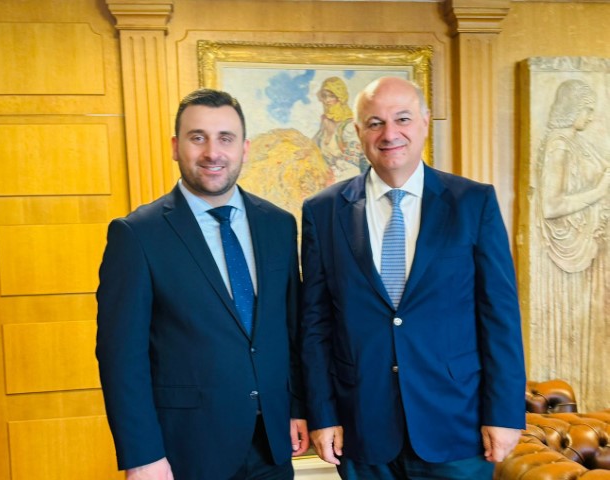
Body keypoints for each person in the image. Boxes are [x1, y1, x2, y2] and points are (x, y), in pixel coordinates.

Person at [300, 76, 525, 479]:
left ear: (424, 122)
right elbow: (316, 324)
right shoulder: (323, 211)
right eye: (375, 123)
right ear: (358, 131)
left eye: (402, 119)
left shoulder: (473, 203)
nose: (389, 134)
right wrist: (322, 413)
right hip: (361, 426)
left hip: (458, 424)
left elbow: (500, 317)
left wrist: (505, 414)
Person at [96, 88, 308, 480]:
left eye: (225, 138)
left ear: (244, 148)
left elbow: (290, 329)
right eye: (198, 137)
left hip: (272, 445)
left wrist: (297, 407)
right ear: (176, 147)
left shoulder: (278, 224)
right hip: (186, 450)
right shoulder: (137, 235)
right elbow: (121, 358)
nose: (213, 152)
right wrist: (142, 455)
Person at [532, 79, 610, 412]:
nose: (591, 117)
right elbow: (551, 205)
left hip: (591, 248)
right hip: (569, 252)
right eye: (587, 110)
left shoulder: (577, 142)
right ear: (572, 108)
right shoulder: (559, 145)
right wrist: (600, 190)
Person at [313, 76, 368, 182]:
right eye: (324, 96)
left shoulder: (349, 126)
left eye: (332, 96)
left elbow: (352, 166)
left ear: (340, 98)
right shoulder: (325, 123)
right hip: (326, 178)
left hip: (347, 180)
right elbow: (314, 147)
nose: (327, 100)